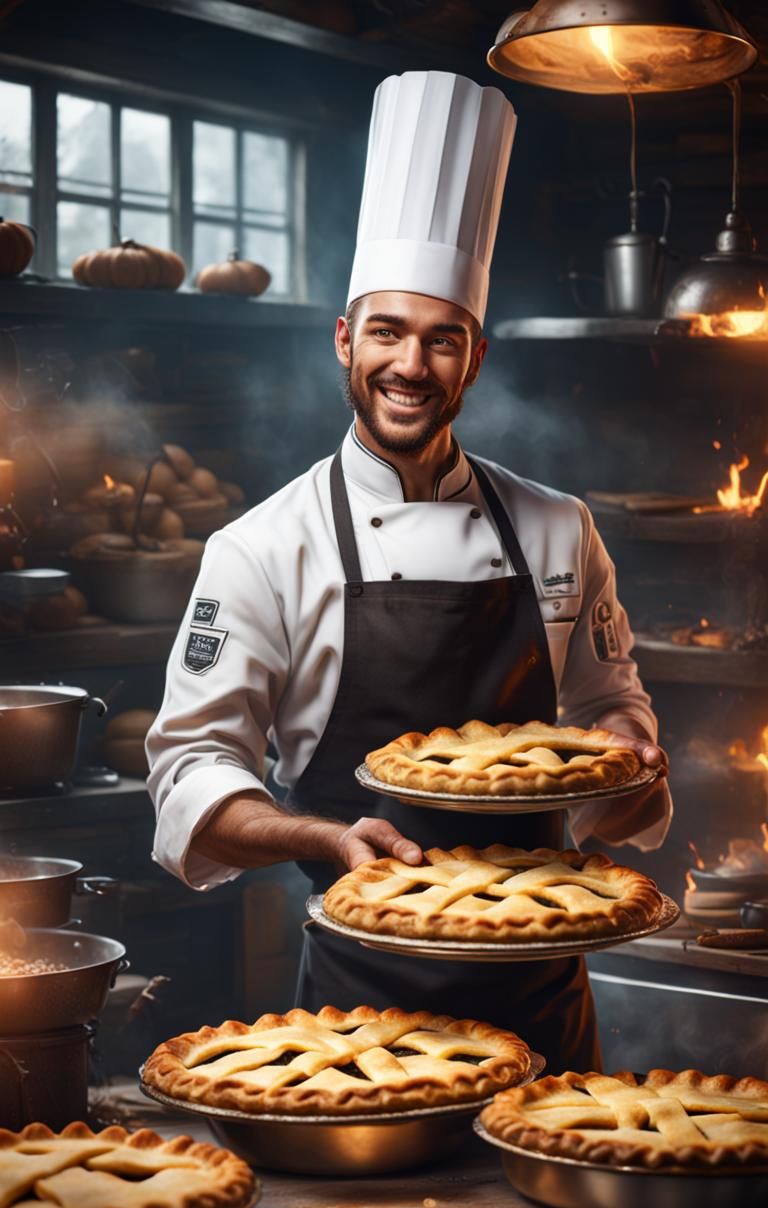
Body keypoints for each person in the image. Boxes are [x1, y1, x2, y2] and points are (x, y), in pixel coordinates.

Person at [147, 70, 671, 1072]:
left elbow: (613, 703)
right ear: (346, 341)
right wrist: (319, 839)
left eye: (442, 340)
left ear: (474, 359)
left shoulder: (559, 529)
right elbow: (190, 769)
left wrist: (625, 743)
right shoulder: (260, 548)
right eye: (386, 332)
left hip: (547, 992)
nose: (410, 365)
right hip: (361, 1027)